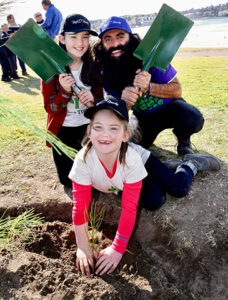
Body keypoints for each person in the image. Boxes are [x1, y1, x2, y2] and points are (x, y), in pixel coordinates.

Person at [68, 96, 221, 276]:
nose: (104, 134)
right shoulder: (83, 161)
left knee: (179, 189)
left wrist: (117, 250)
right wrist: (83, 247)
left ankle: (189, 165)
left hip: (142, 161)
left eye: (113, 128)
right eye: (98, 127)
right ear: (89, 131)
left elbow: (129, 208)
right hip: (123, 180)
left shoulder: (132, 158)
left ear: (126, 134)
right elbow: (80, 208)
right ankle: (164, 169)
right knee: (155, 199)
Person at [93, 16, 205, 156]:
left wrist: (149, 87)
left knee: (193, 118)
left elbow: (177, 90)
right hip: (142, 117)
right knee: (130, 146)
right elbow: (117, 114)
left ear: (130, 38)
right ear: (102, 45)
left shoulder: (152, 57)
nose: (115, 44)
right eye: (108, 39)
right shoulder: (107, 74)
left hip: (169, 108)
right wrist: (124, 103)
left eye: (120, 36)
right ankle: (148, 139)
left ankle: (183, 139)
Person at [41, 14, 103, 193]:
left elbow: (100, 98)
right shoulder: (51, 69)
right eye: (73, 37)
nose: (80, 43)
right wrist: (64, 91)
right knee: (68, 180)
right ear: (62, 39)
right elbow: (49, 108)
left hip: (88, 129)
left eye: (85, 37)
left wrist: (93, 99)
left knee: (96, 176)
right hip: (63, 131)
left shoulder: (94, 66)